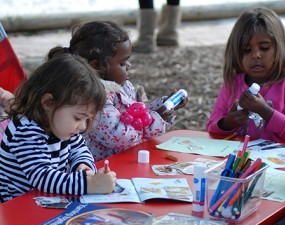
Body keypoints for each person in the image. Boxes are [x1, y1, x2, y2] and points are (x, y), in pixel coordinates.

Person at [48, 21, 188, 162]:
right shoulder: (92, 96)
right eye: (122, 63)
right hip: (102, 166)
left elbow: (136, 115)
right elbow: (119, 136)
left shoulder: (121, 86)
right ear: (96, 66)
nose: (129, 66)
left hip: (123, 158)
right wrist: (156, 119)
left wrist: (162, 107)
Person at [0, 54, 116, 203]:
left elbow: (80, 150)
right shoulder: (26, 131)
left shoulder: (63, 127)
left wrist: (84, 166)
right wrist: (89, 184)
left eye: (87, 119)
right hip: (15, 207)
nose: (82, 126)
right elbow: (42, 177)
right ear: (48, 102)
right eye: (78, 118)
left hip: (42, 200)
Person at [206, 7, 285, 143]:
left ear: (279, 48)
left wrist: (266, 111)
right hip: (238, 162)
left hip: (283, 162)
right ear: (236, 53)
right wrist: (228, 122)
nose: (256, 55)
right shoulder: (233, 83)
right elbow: (211, 128)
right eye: (246, 50)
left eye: (264, 48)